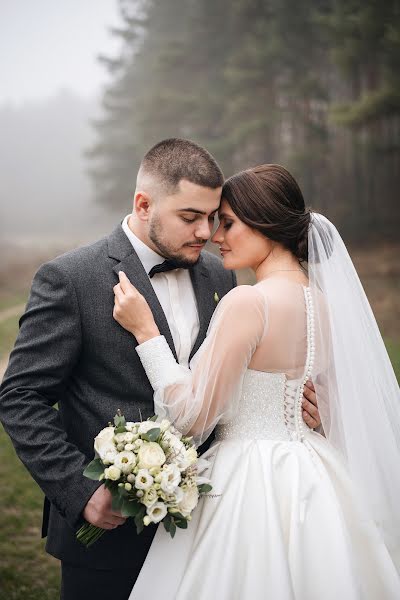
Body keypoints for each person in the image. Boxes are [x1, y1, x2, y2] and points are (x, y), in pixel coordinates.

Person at [0, 139, 322, 600]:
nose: (205, 232)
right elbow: (20, 397)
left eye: (213, 217)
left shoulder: (221, 277)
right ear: (144, 204)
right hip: (109, 534)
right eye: (190, 218)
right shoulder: (72, 278)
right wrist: (79, 488)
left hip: (215, 523)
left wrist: (307, 401)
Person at [112, 164, 400, 599]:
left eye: (226, 222)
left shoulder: (249, 301)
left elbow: (191, 420)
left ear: (265, 223)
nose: (215, 235)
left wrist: (147, 335)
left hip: (247, 481)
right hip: (313, 471)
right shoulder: (323, 302)